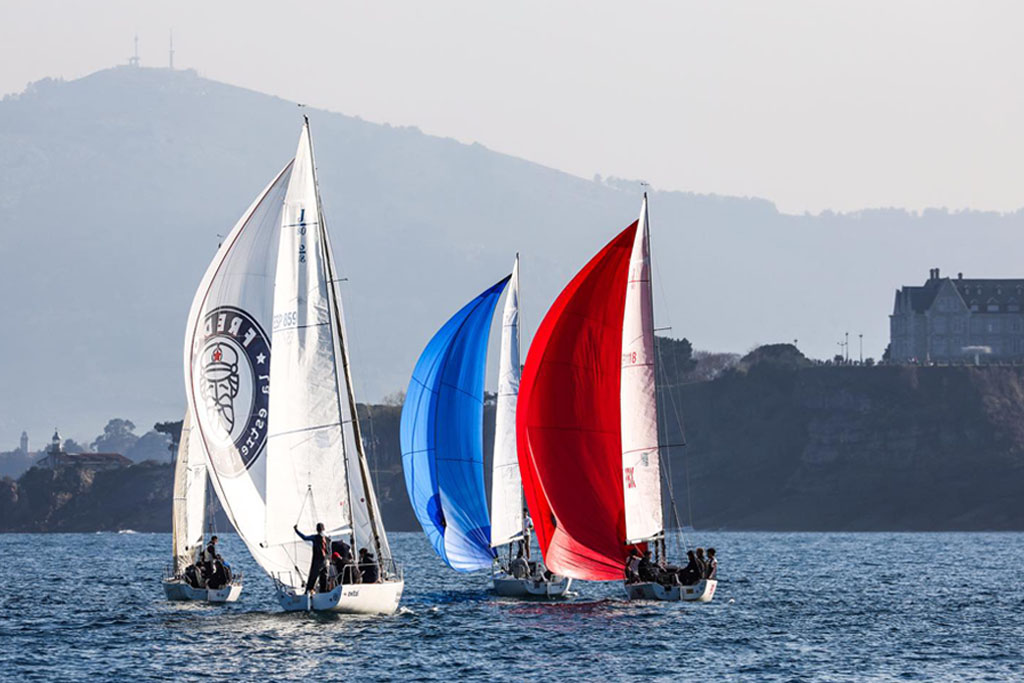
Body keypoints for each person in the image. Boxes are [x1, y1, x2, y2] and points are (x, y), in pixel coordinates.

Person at [294, 522, 330, 594]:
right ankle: (324, 592)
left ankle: (308, 592)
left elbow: (304, 537)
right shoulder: (328, 538)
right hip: (327, 561)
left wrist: (296, 530)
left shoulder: (315, 537)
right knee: (324, 578)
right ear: (324, 529)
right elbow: (329, 549)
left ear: (317, 530)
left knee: (313, 577)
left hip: (318, 561)